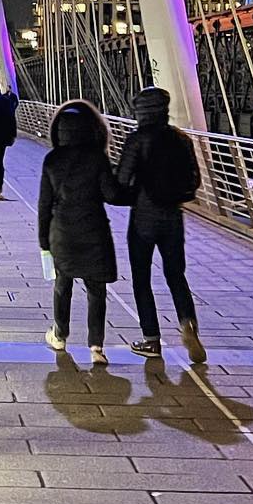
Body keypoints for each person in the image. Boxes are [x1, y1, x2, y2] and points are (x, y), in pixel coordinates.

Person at [116, 86, 206, 363]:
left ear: (140, 111)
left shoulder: (136, 140)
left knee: (141, 278)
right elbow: (194, 180)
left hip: (143, 216)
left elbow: (121, 179)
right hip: (172, 217)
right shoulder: (181, 139)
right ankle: (188, 322)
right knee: (176, 275)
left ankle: (151, 340)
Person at [38, 99, 128, 365]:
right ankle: (96, 347)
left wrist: (44, 240)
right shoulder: (97, 158)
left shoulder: (52, 159)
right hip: (94, 231)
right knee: (96, 290)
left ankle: (60, 334)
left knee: (62, 285)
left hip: (62, 231)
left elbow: (44, 204)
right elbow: (112, 195)